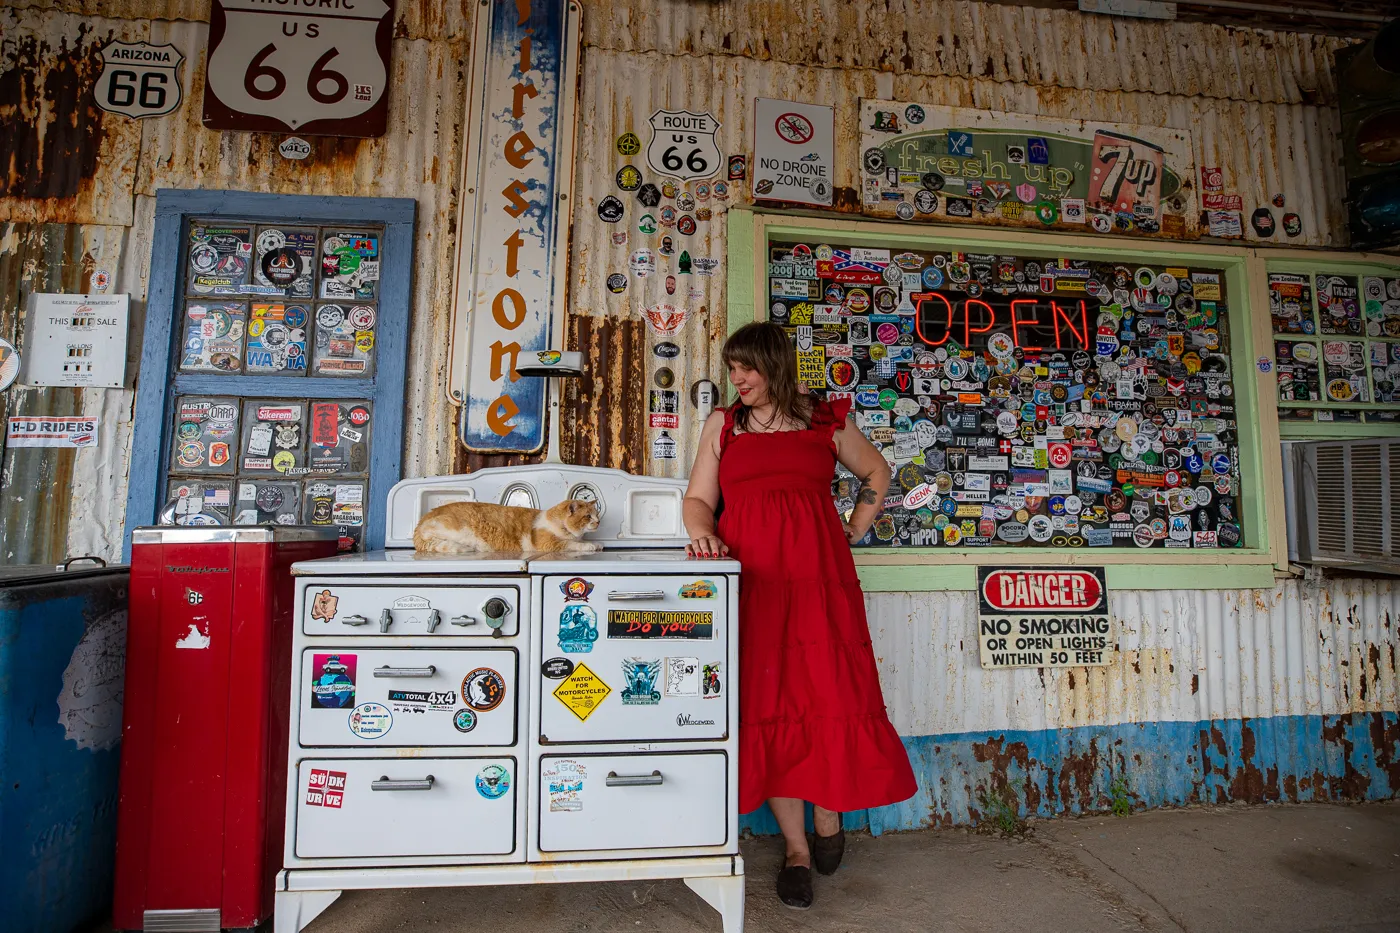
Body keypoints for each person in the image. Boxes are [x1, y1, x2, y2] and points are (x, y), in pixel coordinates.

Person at [682, 321, 917, 910]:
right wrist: (703, 535)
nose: (737, 379)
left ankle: (830, 818)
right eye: (733, 368)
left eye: (748, 369)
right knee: (773, 704)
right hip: (755, 586)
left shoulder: (824, 421)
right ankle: (796, 851)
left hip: (820, 582)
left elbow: (877, 472)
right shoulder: (724, 425)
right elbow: (697, 500)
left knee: (829, 697)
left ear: (777, 367)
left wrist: (855, 527)